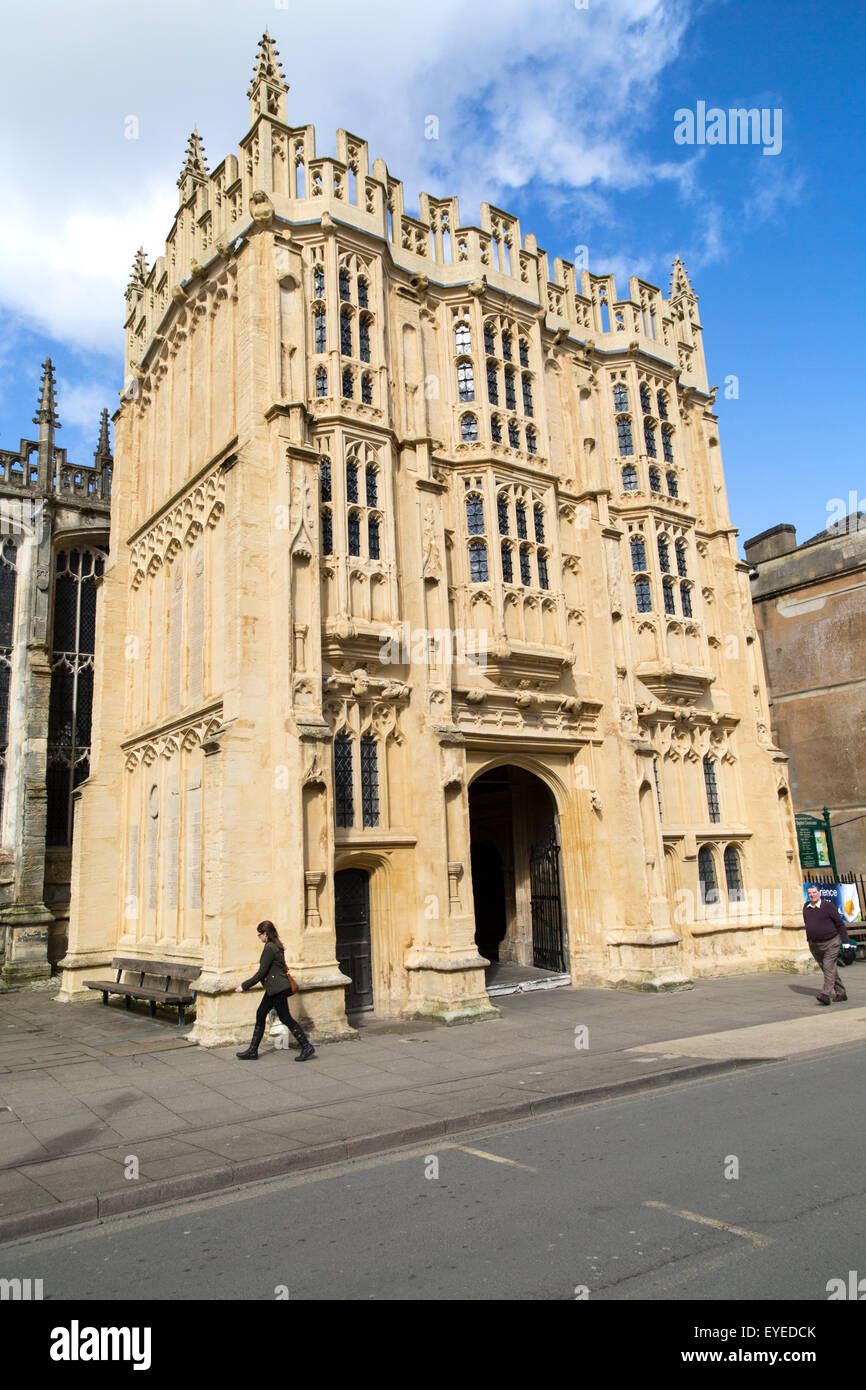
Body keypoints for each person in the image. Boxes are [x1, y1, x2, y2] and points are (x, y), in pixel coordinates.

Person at [234, 921, 316, 1060]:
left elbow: (261, 972)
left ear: (266, 934)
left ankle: (306, 1046)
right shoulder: (276, 945)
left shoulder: (270, 948)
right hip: (276, 988)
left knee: (285, 1017)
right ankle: (252, 1050)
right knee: (261, 1013)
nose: (259, 937)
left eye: (260, 934)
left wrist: (244, 986)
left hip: (277, 989)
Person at [802, 885, 851, 1005]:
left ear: (819, 893)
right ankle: (841, 992)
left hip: (831, 942)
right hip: (814, 944)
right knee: (828, 969)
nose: (812, 895)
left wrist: (845, 942)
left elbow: (840, 924)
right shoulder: (806, 907)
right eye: (810, 893)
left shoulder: (828, 906)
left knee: (828, 967)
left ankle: (825, 994)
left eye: (814, 892)